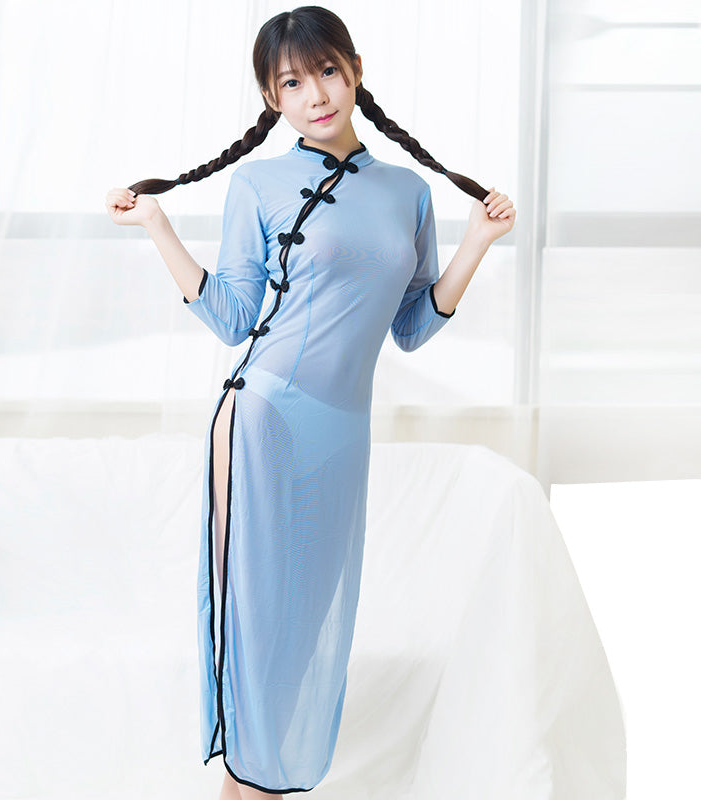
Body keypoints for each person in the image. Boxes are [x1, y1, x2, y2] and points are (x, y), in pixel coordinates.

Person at [105, 6, 515, 798]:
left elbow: (411, 327)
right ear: (272, 98)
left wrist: (475, 244)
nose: (316, 95)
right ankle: (248, 788)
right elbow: (232, 317)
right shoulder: (255, 184)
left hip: (343, 433)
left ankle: (253, 789)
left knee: (308, 624)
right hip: (262, 417)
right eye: (291, 83)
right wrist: (157, 226)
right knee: (258, 621)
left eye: (326, 71)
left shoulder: (407, 192)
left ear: (355, 70)